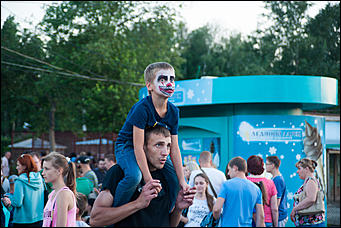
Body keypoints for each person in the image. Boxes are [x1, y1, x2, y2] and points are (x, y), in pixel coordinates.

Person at [112, 62, 189, 210]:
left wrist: (182, 181)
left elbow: (174, 148)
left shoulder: (173, 112)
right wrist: (148, 179)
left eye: (171, 79)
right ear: (149, 86)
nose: (168, 83)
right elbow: (138, 147)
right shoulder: (142, 109)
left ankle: (168, 215)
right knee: (134, 177)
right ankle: (115, 214)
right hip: (128, 146)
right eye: (162, 79)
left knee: (174, 179)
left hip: (151, 147)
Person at [90, 125, 196, 227]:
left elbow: (169, 224)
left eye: (168, 146)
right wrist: (138, 203)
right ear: (143, 147)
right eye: (158, 145)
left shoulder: (169, 176)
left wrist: (178, 209)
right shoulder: (121, 172)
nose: (165, 152)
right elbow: (95, 219)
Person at [213, 156, 265, 227]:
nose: (228, 174)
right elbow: (261, 217)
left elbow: (216, 209)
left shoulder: (226, 185)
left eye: (229, 170)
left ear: (235, 168)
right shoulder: (256, 189)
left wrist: (217, 219)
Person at [8, 153, 44, 227]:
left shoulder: (19, 181)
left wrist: (9, 198)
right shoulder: (39, 178)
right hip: (39, 219)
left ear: (24, 166)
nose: (16, 168)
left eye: (18, 165)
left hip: (22, 221)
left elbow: (17, 203)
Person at [42, 152, 77, 227]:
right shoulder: (52, 194)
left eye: (47, 169)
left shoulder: (63, 194)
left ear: (59, 171)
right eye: (43, 168)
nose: (43, 173)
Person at [290, 158, 326, 227]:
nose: (297, 172)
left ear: (306, 169)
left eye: (299, 169)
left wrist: (295, 209)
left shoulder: (310, 181)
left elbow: (311, 199)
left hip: (311, 224)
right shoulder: (309, 181)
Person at [247, 155, 278, 227]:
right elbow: (274, 208)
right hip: (266, 221)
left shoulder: (245, 182)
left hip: (248, 221)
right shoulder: (270, 183)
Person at [266, 156, 289, 227]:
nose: (265, 166)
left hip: (279, 217)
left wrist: (274, 217)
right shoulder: (275, 178)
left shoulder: (277, 180)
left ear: (272, 165)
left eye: (267, 164)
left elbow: (276, 202)